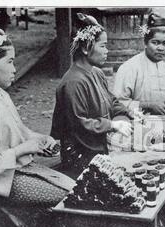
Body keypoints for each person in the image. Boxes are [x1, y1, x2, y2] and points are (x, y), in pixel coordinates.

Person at [0, 25, 75, 227]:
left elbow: (18, 131)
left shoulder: (0, 94)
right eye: (10, 62)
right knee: (71, 196)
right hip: (3, 182)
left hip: (19, 169)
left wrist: (40, 140)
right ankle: (17, 209)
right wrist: (26, 148)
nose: (15, 69)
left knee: (73, 187)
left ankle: (29, 213)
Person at [51, 13, 135, 176]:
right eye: (102, 46)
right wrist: (111, 125)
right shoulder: (73, 82)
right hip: (79, 153)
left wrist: (128, 113)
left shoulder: (96, 73)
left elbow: (111, 100)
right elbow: (79, 123)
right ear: (85, 48)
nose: (107, 51)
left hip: (98, 145)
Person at [113, 13, 165, 116]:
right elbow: (117, 104)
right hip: (140, 121)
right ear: (145, 43)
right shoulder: (130, 68)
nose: (161, 48)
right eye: (155, 43)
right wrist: (148, 105)